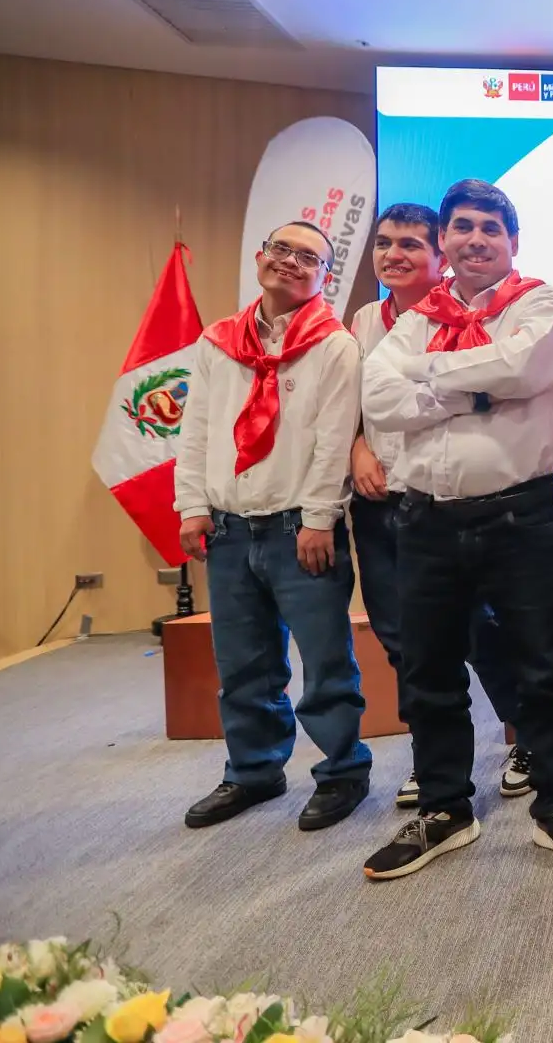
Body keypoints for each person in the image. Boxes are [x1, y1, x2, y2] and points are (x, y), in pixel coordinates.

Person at [359, 178, 553, 879]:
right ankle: (445, 809)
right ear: (445, 241)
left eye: (491, 228)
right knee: (429, 671)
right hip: (425, 520)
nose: (476, 239)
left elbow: (523, 366)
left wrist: (425, 376)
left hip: (518, 516)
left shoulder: (541, 304)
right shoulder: (415, 318)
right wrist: (474, 392)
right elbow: (380, 398)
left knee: (540, 668)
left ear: (512, 241)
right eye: (463, 227)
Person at [174, 222, 370, 832]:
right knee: (243, 665)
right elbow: (197, 428)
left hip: (299, 530)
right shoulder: (218, 341)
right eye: (280, 249)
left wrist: (319, 519)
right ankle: (254, 771)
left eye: (307, 257)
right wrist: (191, 505)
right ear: (260, 256)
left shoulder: (334, 345)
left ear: (324, 276)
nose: (289, 261)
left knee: (325, 661)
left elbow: (335, 440)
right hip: (229, 530)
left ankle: (343, 772)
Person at [348, 203, 530, 809]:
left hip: (444, 498)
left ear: (439, 255)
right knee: (403, 639)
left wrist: (429, 395)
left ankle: (526, 735)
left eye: (410, 244)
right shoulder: (365, 321)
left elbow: (482, 394)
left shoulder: (469, 313)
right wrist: (357, 449)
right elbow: (357, 405)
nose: (393, 255)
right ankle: (432, 760)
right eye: (384, 243)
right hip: (379, 498)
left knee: (480, 630)